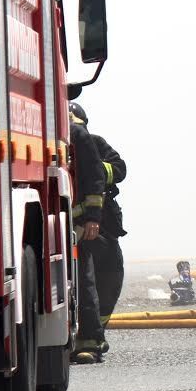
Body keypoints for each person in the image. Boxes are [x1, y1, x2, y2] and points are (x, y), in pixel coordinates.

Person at [69, 103, 128, 355]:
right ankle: (89, 336)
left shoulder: (93, 142)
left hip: (101, 225)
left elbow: (120, 169)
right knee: (85, 279)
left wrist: (95, 166)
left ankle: (97, 330)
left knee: (111, 273)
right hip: (78, 227)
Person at [67, 106, 107, 364]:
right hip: (64, 222)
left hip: (78, 222)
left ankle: (90, 341)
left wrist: (92, 218)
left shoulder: (78, 135)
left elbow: (94, 178)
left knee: (83, 280)